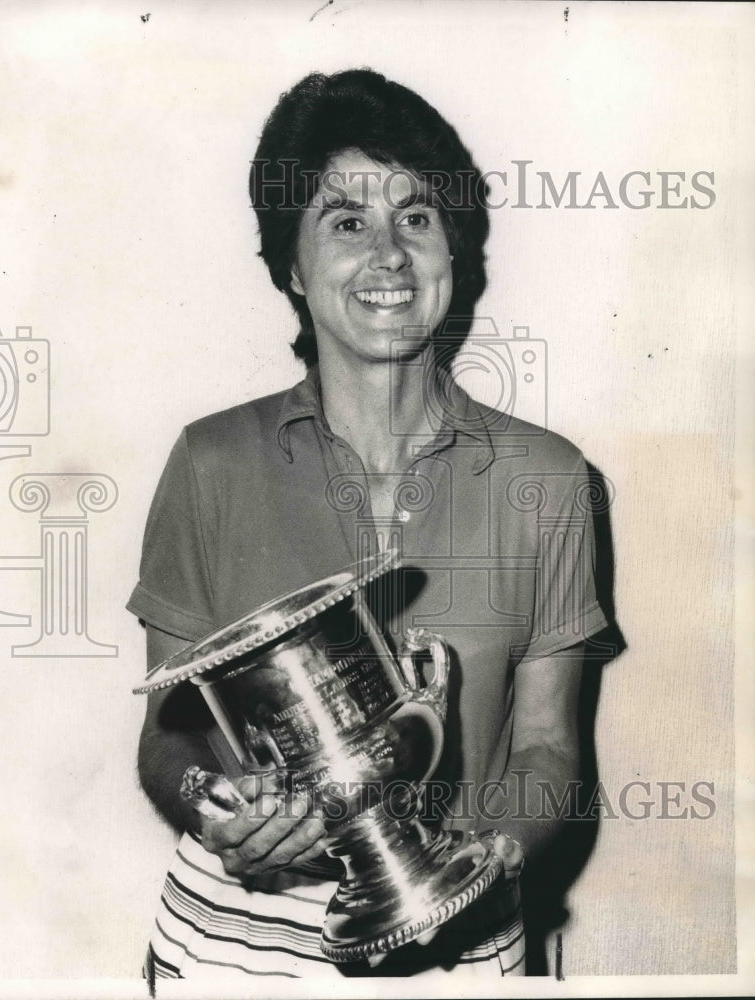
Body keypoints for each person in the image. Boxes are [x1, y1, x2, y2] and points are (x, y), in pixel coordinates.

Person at [128, 68, 609, 983]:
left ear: (451, 254)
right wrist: (215, 808)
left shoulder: (549, 478)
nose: (389, 254)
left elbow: (547, 744)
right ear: (293, 269)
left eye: (416, 217)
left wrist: (491, 851)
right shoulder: (210, 461)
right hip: (238, 945)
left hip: (465, 936)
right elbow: (169, 729)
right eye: (346, 222)